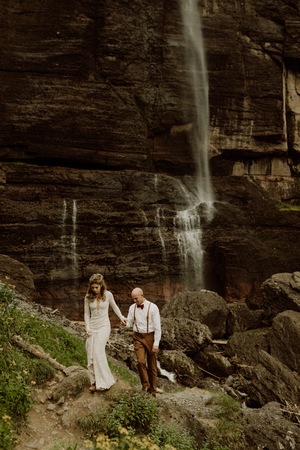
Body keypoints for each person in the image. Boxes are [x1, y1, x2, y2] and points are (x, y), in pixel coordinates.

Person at [84, 273, 126, 392]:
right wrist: (87, 327)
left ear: (102, 286)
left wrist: (121, 317)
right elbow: (86, 313)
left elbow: (115, 307)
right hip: (92, 326)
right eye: (92, 287)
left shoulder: (108, 295)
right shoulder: (88, 297)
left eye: (96, 287)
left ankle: (105, 382)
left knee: (98, 351)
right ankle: (95, 382)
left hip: (104, 326)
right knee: (90, 352)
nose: (94, 289)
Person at [126, 287, 161, 397]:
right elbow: (129, 323)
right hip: (137, 337)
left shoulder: (153, 307)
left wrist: (156, 343)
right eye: (133, 299)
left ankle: (153, 390)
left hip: (150, 336)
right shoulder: (132, 308)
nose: (134, 301)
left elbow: (157, 327)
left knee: (152, 365)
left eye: (136, 298)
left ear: (142, 295)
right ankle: (145, 385)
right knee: (140, 361)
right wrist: (124, 321)